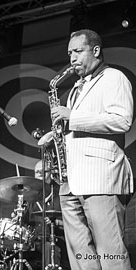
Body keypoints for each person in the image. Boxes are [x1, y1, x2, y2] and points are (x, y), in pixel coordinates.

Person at [51, 29, 133, 269]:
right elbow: (78, 127)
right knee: (81, 259)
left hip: (100, 179)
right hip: (71, 182)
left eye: (78, 51)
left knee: (111, 256)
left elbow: (122, 120)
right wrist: (56, 137)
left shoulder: (113, 78)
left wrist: (72, 117)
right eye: (69, 53)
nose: (72, 59)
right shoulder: (76, 88)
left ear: (95, 50)